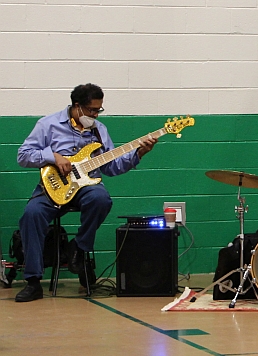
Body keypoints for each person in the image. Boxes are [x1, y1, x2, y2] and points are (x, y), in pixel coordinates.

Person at [16, 83, 157, 302]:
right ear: (77, 106)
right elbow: (23, 155)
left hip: (85, 186)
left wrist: (139, 153)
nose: (95, 115)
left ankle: (79, 247)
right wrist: (53, 156)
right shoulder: (48, 124)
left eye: (98, 110)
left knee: (101, 198)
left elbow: (111, 167)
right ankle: (33, 281)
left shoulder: (99, 131)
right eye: (91, 110)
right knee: (31, 215)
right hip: (53, 186)